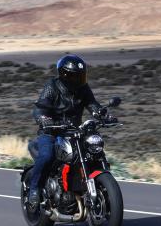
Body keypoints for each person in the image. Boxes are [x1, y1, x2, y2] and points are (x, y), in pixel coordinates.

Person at [28, 54, 116, 206]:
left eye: (81, 76)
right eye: (75, 76)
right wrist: (43, 118)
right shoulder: (53, 86)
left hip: (75, 132)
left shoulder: (83, 89)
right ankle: (34, 189)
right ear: (64, 74)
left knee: (94, 151)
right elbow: (40, 106)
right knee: (47, 155)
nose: (78, 79)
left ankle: (99, 187)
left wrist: (102, 114)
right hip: (51, 132)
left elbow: (92, 104)